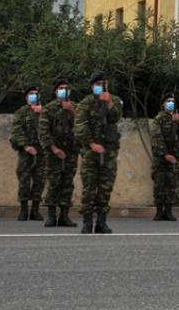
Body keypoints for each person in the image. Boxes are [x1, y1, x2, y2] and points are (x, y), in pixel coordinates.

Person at [74, 71, 123, 234]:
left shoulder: (114, 100)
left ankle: (102, 221)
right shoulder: (85, 103)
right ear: (92, 86)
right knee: (89, 188)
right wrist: (91, 143)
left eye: (103, 84)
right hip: (90, 153)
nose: (100, 87)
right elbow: (80, 126)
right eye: (97, 84)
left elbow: (116, 117)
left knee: (105, 188)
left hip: (109, 152)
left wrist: (108, 102)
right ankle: (87, 222)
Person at [38, 78, 78, 227]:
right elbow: (43, 132)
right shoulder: (48, 109)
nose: (63, 90)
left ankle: (64, 216)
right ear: (56, 91)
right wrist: (54, 149)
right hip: (53, 153)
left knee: (67, 184)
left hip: (71, 153)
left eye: (66, 88)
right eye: (61, 88)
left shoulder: (76, 107)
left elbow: (83, 126)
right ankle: (51, 216)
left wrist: (72, 110)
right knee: (54, 183)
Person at [151, 92, 179, 221]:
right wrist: (165, 154)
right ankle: (158, 211)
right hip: (161, 157)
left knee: (171, 184)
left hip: (175, 156)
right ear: (163, 104)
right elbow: (157, 138)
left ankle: (168, 211)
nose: (171, 103)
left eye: (173, 101)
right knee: (159, 184)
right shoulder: (159, 118)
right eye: (168, 101)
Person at [9, 84, 45, 222]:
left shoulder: (45, 111)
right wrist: (26, 146)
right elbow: (17, 131)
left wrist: (41, 113)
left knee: (40, 180)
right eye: (31, 93)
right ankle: (23, 210)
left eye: (36, 93)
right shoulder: (21, 112)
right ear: (26, 97)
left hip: (42, 152)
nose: (33, 95)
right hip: (26, 152)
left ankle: (35, 211)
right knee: (24, 180)